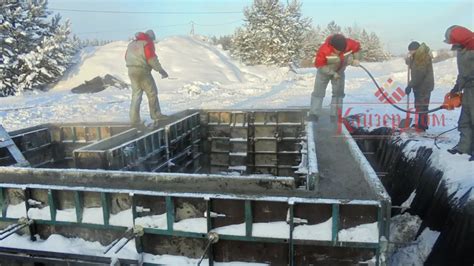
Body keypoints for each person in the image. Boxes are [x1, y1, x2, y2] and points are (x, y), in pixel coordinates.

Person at [308, 34, 361, 122]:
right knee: (318, 92)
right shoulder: (324, 49)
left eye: (342, 50)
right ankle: (314, 114)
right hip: (324, 72)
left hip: (340, 72)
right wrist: (332, 73)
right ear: (332, 46)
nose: (339, 52)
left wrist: (356, 59)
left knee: (338, 93)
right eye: (337, 50)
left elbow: (357, 48)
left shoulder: (349, 43)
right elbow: (319, 65)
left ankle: (335, 115)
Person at [125, 29, 169, 127]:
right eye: (153, 39)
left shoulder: (131, 44)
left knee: (136, 95)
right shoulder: (147, 43)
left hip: (131, 71)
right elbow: (151, 59)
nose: (153, 41)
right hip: (143, 71)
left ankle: (134, 119)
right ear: (151, 37)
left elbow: (126, 57)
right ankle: (156, 115)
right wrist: (161, 70)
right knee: (152, 93)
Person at [444, 26, 474, 161]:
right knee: (465, 120)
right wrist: (456, 87)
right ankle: (464, 148)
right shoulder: (461, 50)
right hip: (468, 90)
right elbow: (462, 73)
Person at [404, 41, 434, 132]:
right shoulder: (418, 57)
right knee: (419, 105)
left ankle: (422, 125)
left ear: (415, 50)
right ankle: (420, 124)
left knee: (422, 106)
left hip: (423, 87)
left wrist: (410, 85)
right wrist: (409, 61)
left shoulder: (422, 58)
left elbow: (419, 75)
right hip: (419, 86)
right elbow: (415, 67)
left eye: (411, 51)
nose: (410, 53)